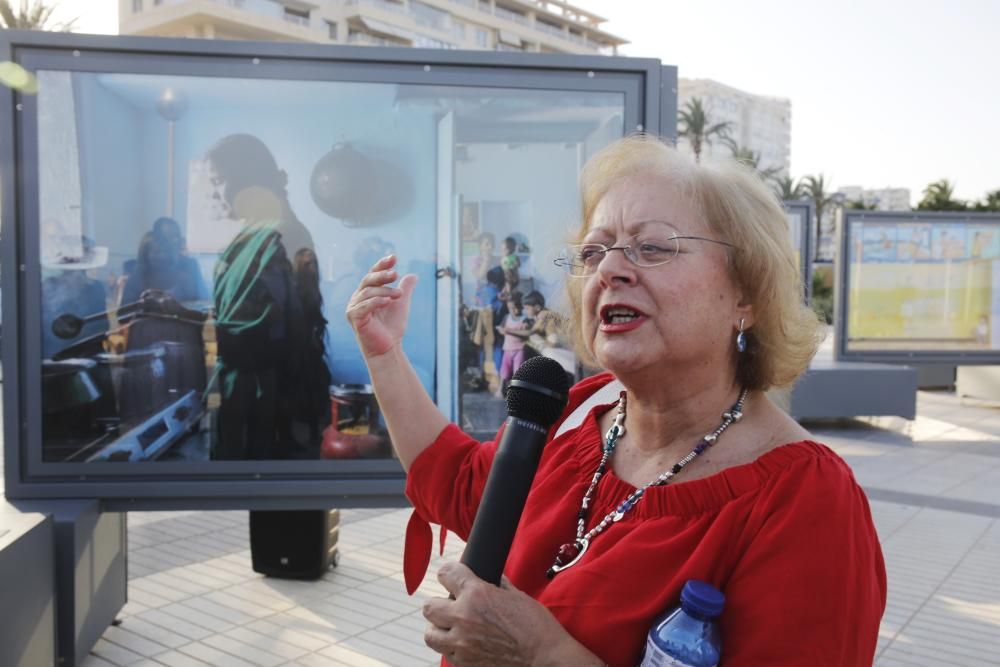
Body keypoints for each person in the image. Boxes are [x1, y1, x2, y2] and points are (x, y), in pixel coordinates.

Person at [346, 134, 886, 666]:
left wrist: (541, 654)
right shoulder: (581, 410)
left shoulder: (806, 500)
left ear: (747, 293)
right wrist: (385, 355)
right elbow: (461, 483)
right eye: (594, 251)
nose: (609, 269)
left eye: (652, 247)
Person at [495, 289, 527, 395]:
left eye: (515, 308)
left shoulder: (524, 319)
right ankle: (500, 389)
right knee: (504, 370)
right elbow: (501, 327)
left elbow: (526, 332)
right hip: (507, 348)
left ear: (520, 307)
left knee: (517, 371)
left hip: (519, 348)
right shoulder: (507, 317)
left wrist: (509, 331)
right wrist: (501, 330)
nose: (513, 311)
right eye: (510, 308)